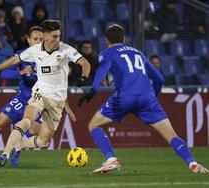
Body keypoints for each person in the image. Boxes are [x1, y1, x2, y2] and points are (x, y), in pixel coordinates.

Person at [78, 24, 208, 174]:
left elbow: (103, 69)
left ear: (107, 40)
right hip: (148, 99)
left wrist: (93, 89)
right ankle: (193, 164)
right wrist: (153, 97)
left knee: (94, 125)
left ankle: (111, 159)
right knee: (172, 136)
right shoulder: (138, 53)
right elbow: (159, 78)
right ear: (124, 38)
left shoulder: (107, 53)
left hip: (124, 97)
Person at [0, 26, 77, 167]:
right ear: (29, 40)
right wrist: (19, 73)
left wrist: (67, 106)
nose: (39, 41)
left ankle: (17, 148)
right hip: (22, 99)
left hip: (40, 101)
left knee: (34, 131)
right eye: (35, 39)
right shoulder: (23, 55)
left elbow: (59, 86)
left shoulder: (52, 58)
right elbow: (5, 74)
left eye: (41, 39)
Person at [0, 20, 91, 166]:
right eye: (54, 36)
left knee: (43, 141)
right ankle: (5, 154)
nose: (57, 39)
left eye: (59, 36)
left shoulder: (65, 49)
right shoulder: (35, 50)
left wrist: (84, 77)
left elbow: (85, 63)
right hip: (40, 94)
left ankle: (18, 146)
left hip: (57, 101)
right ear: (45, 37)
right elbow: (15, 60)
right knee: (26, 121)